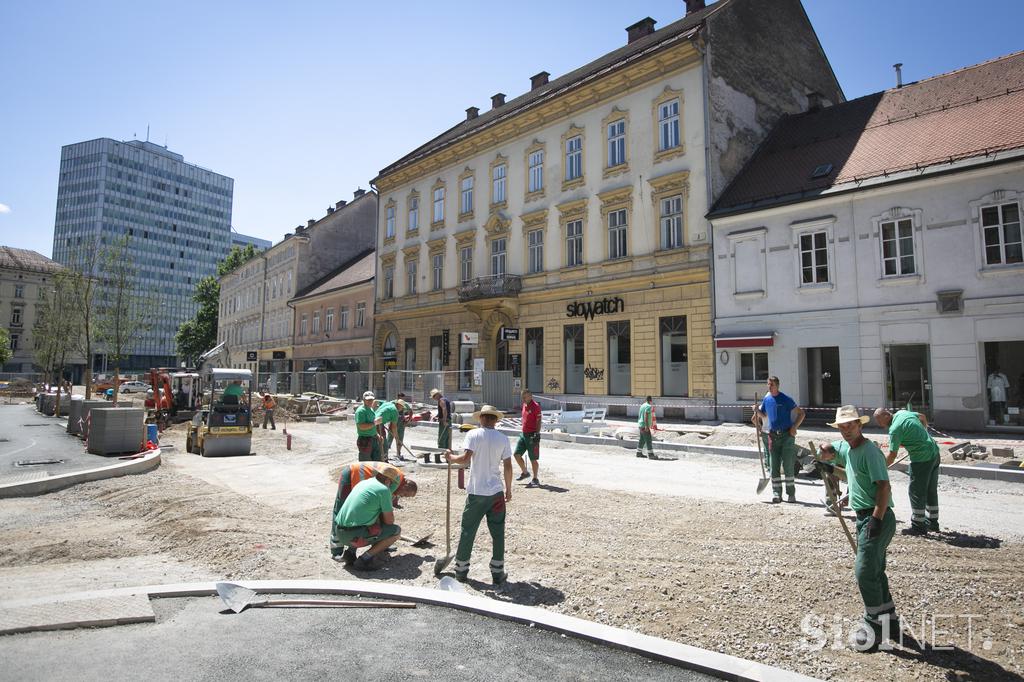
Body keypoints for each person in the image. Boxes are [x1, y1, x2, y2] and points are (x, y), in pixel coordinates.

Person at [817, 405, 897, 653]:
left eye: (850, 425)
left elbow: (884, 487)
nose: (846, 430)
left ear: (860, 425)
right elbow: (833, 452)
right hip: (864, 516)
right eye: (842, 426)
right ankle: (889, 619)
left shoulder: (869, 452)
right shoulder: (848, 448)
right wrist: (826, 461)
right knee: (875, 570)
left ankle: (873, 626)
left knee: (863, 571)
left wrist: (876, 519)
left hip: (878, 516)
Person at [445, 404, 513, 585]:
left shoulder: (473, 435)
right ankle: (498, 572)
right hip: (496, 492)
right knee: (497, 532)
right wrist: (509, 489)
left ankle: (461, 570)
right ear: (496, 420)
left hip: (476, 492)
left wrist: (450, 457)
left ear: (482, 418)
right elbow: (507, 466)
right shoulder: (503, 439)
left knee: (468, 530)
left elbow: (465, 459)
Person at [330, 462, 417, 561]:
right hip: (350, 474)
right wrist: (388, 535)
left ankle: (352, 551)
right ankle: (337, 550)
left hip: (345, 531)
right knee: (340, 509)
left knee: (361, 513)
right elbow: (388, 520)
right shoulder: (391, 484)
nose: (401, 497)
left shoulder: (371, 482)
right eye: (405, 494)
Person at [873, 408, 939, 534]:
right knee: (930, 490)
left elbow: (892, 455)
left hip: (921, 459)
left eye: (879, 420)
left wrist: (880, 469)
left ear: (886, 416)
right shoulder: (903, 413)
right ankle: (933, 523)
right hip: (934, 452)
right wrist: (923, 434)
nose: (879, 424)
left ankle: (918, 526)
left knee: (916, 492)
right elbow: (922, 416)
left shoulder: (894, 429)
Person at [755, 376, 806, 503]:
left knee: (788, 465)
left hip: (787, 436)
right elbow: (764, 415)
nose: (769, 387)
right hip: (772, 436)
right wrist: (757, 411)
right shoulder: (767, 400)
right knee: (774, 466)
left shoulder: (786, 399)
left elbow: (801, 413)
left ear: (777, 385)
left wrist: (794, 427)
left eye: (771, 384)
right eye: (768, 384)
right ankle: (777, 494)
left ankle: (791, 494)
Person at [513, 389, 542, 487]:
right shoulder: (525, 405)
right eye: (522, 397)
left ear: (530, 396)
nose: (523, 399)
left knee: (533, 458)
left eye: (525, 397)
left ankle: (535, 478)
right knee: (516, 454)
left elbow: (539, 421)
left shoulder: (536, 407)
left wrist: (537, 434)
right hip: (523, 434)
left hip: (532, 435)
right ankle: (525, 472)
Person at [355, 391, 382, 462]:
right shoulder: (361, 411)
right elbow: (361, 426)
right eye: (368, 400)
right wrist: (375, 422)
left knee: (376, 462)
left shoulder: (370, 409)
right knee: (366, 463)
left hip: (373, 439)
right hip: (365, 439)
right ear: (364, 400)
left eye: (371, 400)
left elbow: (372, 425)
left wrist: (377, 434)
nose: (370, 401)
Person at [374, 398, 402, 462]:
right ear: (399, 405)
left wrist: (372, 411)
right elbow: (394, 427)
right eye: (402, 407)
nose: (402, 409)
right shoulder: (395, 411)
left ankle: (378, 458)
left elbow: (375, 401)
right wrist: (397, 438)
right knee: (384, 443)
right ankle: (384, 460)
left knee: (376, 440)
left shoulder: (388, 403)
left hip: (373, 420)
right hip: (378, 423)